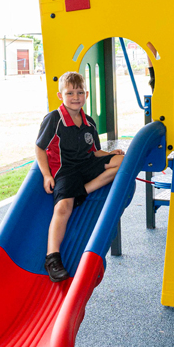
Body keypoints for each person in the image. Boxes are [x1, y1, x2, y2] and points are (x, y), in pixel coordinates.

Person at [35, 71, 125, 282]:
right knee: (62, 207)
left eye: (79, 92)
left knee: (123, 163)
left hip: (86, 165)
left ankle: (82, 191)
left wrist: (110, 154)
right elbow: (39, 149)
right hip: (65, 171)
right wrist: (47, 175)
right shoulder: (54, 119)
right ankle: (52, 257)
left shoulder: (89, 122)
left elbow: (94, 152)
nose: (75, 97)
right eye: (70, 93)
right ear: (61, 96)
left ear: (86, 94)